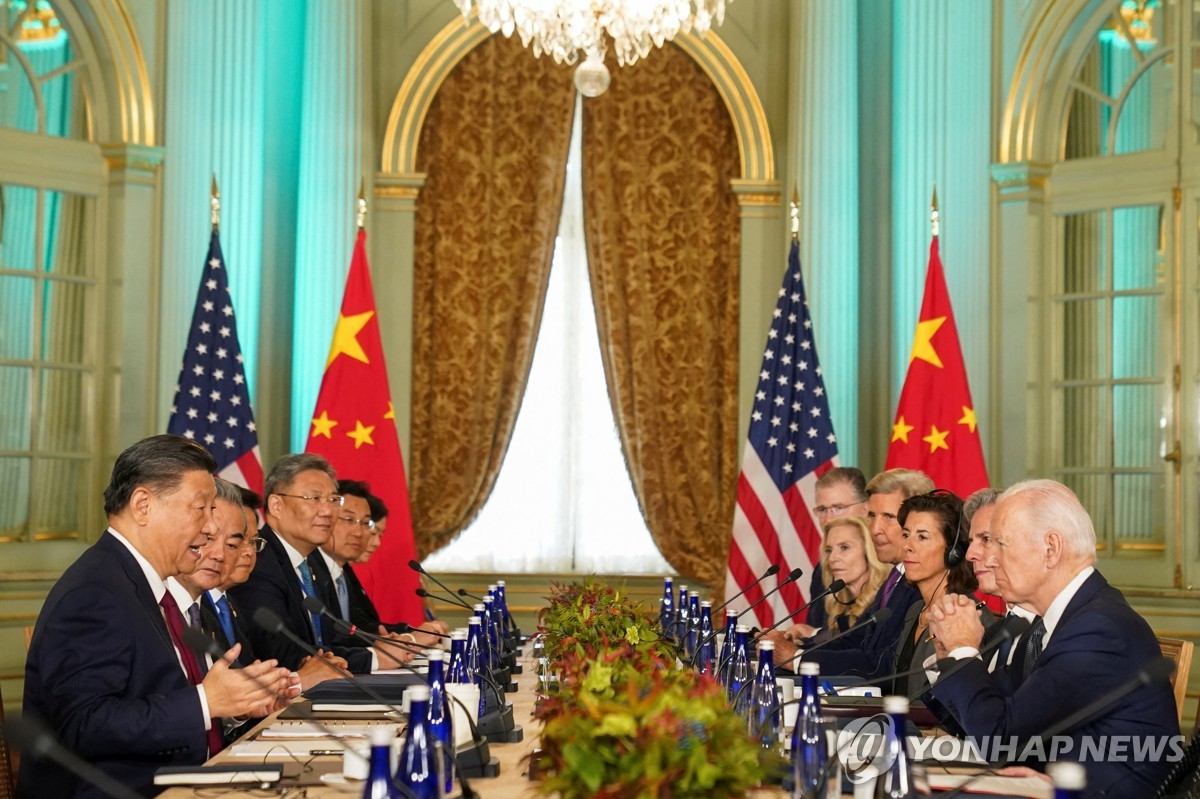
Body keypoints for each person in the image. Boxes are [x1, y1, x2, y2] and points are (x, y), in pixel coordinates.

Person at [19, 435, 291, 798]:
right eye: (201, 509)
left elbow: (158, 700)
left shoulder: (142, 583)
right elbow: (82, 725)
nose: (211, 528)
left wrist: (234, 702)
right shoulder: (97, 591)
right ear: (143, 505)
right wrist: (205, 702)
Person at [928, 479, 1179, 798]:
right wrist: (951, 653)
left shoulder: (1098, 628)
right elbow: (1013, 719)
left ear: (1051, 549)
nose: (990, 560)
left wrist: (964, 650)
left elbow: (1000, 739)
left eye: (1000, 544)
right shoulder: (1074, 616)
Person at [229, 454, 412, 674]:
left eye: (333, 500)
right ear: (276, 505)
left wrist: (378, 645)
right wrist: (372, 658)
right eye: (314, 498)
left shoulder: (312, 564)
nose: (327, 511)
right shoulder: (260, 561)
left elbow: (330, 637)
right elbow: (280, 654)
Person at [768, 468, 932, 678]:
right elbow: (858, 641)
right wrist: (795, 652)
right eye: (872, 516)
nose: (875, 529)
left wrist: (797, 658)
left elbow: (885, 664)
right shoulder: (896, 579)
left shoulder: (923, 585)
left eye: (889, 517)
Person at [890, 490, 988, 696]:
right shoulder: (916, 611)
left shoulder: (968, 614)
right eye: (906, 534)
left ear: (954, 552)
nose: (907, 546)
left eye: (922, 537)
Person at [802, 516, 889, 640]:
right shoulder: (837, 603)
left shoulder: (884, 602)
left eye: (844, 548)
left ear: (869, 552)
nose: (832, 558)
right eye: (829, 550)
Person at [806, 467, 870, 628]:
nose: (828, 519)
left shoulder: (887, 571)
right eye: (822, 510)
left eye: (839, 508)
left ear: (866, 508)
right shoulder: (822, 570)